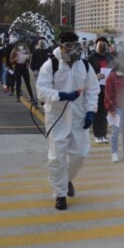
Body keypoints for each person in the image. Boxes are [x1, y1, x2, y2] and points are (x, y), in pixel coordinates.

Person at [36, 31, 100, 210]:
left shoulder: (85, 67)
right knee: (57, 157)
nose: (73, 51)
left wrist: (90, 112)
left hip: (79, 117)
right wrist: (60, 95)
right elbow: (41, 91)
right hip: (57, 118)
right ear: (62, 46)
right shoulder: (51, 65)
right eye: (69, 46)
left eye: (76, 46)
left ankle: (67, 179)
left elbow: (93, 90)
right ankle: (60, 194)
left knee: (80, 154)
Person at [88, 37, 113, 144]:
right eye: (100, 45)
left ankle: (103, 134)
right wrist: (95, 76)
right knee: (97, 112)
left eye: (104, 45)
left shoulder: (110, 58)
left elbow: (114, 70)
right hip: (95, 88)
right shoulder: (91, 58)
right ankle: (97, 134)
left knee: (104, 112)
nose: (102, 47)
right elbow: (86, 73)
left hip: (106, 89)